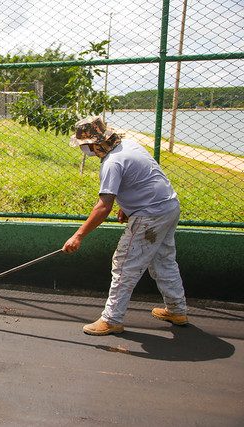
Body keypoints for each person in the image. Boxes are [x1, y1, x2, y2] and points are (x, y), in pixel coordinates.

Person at [62, 116, 188, 335]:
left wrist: (78, 236)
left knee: (124, 265)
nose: (84, 149)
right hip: (169, 206)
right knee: (163, 260)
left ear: (94, 143)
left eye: (84, 145)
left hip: (150, 215)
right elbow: (141, 179)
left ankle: (112, 319)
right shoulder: (130, 146)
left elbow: (103, 206)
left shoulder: (112, 163)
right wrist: (127, 206)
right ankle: (177, 310)